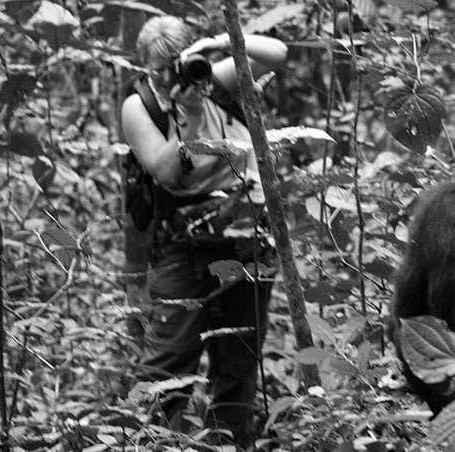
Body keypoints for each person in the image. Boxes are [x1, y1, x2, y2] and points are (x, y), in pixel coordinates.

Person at [120, 15, 287, 446]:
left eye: (171, 64)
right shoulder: (139, 106)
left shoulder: (214, 77)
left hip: (245, 235)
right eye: (153, 68)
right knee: (169, 361)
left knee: (239, 360)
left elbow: (277, 53)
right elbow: (166, 173)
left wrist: (213, 46)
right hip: (184, 244)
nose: (163, 76)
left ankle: (233, 441)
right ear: (141, 65)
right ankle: (149, 440)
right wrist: (191, 120)